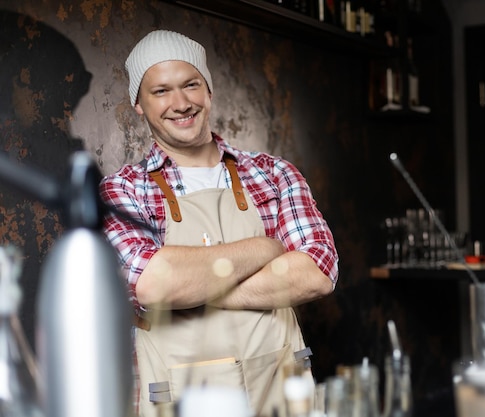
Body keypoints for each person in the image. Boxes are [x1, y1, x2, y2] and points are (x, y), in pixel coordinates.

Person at [99, 30, 339, 417]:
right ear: (138, 105)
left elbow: (317, 272)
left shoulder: (273, 174)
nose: (180, 103)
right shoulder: (122, 190)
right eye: (160, 91)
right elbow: (153, 284)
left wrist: (194, 288)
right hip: (181, 399)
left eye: (191, 85)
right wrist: (268, 248)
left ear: (208, 91)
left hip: (280, 390)